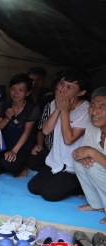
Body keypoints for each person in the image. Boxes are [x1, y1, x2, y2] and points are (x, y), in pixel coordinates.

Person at [28, 67, 92, 202]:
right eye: (62, 84)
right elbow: (45, 131)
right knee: (34, 187)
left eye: (69, 87)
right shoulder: (54, 103)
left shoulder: (87, 110)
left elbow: (69, 139)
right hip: (56, 161)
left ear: (81, 92)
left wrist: (64, 111)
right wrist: (58, 108)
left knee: (49, 194)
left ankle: (81, 185)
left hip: (74, 166)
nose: (62, 89)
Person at [0, 73, 41, 178]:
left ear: (28, 92)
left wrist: (14, 151)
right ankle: (13, 167)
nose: (16, 93)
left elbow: (27, 132)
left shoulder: (33, 108)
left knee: (8, 164)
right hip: (4, 146)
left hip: (22, 148)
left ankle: (23, 165)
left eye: (20, 90)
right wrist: (6, 119)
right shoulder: (3, 105)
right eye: (13, 89)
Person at [73, 87, 106, 224]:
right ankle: (98, 204)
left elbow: (90, 151)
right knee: (79, 163)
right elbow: (80, 152)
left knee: (93, 166)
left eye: (102, 106)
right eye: (92, 106)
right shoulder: (92, 128)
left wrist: (92, 152)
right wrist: (83, 155)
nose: (95, 111)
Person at [27, 72, 62, 172]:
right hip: (50, 146)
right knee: (32, 161)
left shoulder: (82, 109)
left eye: (38, 79)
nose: (34, 83)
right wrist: (39, 145)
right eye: (58, 90)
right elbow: (42, 129)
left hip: (68, 152)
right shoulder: (50, 103)